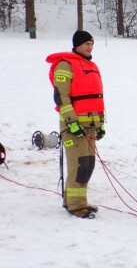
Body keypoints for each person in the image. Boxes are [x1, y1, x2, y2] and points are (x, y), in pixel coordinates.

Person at [46, 30, 106, 219]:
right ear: (77, 45)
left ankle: (73, 200)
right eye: (87, 43)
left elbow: (97, 97)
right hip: (74, 126)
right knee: (80, 165)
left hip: (90, 125)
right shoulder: (65, 65)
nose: (90, 47)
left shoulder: (92, 65)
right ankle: (77, 206)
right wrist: (72, 123)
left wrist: (100, 123)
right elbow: (61, 97)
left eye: (92, 43)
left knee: (88, 164)